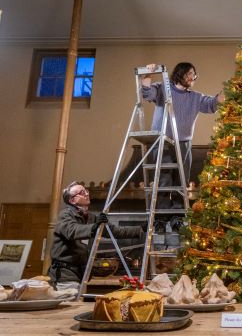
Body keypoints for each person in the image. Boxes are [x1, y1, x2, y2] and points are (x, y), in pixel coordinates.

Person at [141, 62, 224, 209]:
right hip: (163, 142)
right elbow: (146, 92)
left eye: (194, 75)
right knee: (164, 181)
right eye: (190, 74)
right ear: (180, 73)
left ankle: (177, 216)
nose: (193, 78)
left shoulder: (196, 97)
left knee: (182, 181)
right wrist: (150, 72)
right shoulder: (163, 88)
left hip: (184, 144)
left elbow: (212, 104)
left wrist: (226, 92)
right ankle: (161, 217)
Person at [48, 181, 144, 290]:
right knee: (72, 299)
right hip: (65, 275)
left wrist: (141, 229)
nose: (86, 194)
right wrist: (94, 227)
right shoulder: (65, 215)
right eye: (81, 192)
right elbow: (72, 230)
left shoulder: (91, 218)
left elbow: (115, 231)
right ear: (72, 200)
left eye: (86, 191)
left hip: (81, 274)